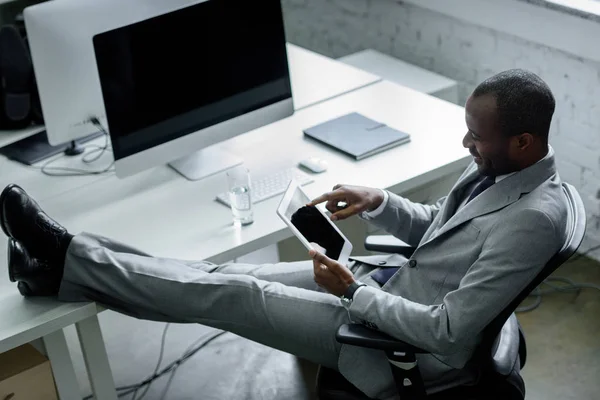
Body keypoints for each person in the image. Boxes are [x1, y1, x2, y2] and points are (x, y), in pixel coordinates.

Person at [1, 69, 567, 399]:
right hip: (385, 288)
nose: (465, 146)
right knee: (222, 274)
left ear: (523, 141)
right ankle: (67, 261)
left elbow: (446, 333)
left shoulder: (534, 219)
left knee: (229, 294)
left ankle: (63, 259)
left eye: (477, 137)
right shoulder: (499, 166)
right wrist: (380, 202)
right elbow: (436, 231)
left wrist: (351, 292)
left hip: (401, 348)